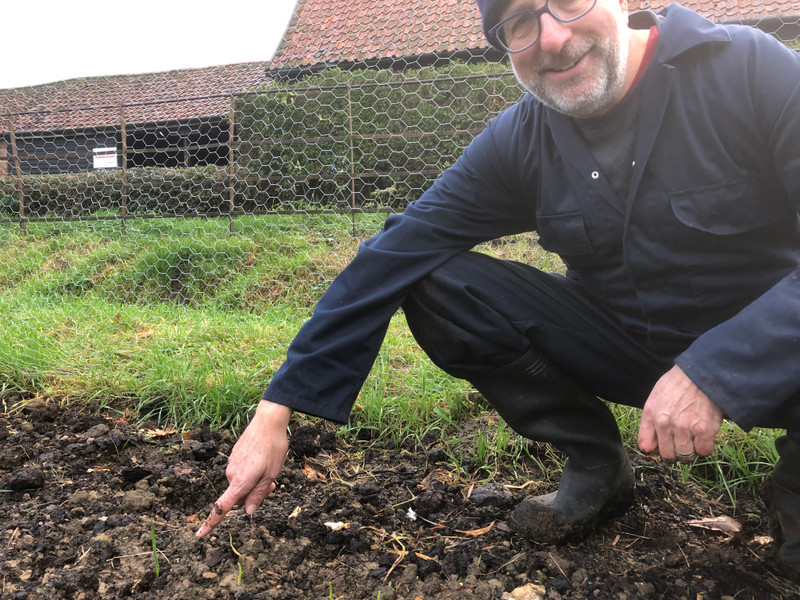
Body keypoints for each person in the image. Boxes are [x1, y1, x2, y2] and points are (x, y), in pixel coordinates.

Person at [197, 0, 800, 575]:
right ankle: (595, 462)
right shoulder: (522, 139)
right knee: (435, 278)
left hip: (779, 357)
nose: (553, 39)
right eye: (517, 24)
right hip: (630, 345)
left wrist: (717, 369)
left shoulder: (747, 70)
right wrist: (276, 407)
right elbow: (396, 251)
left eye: (567, 4)